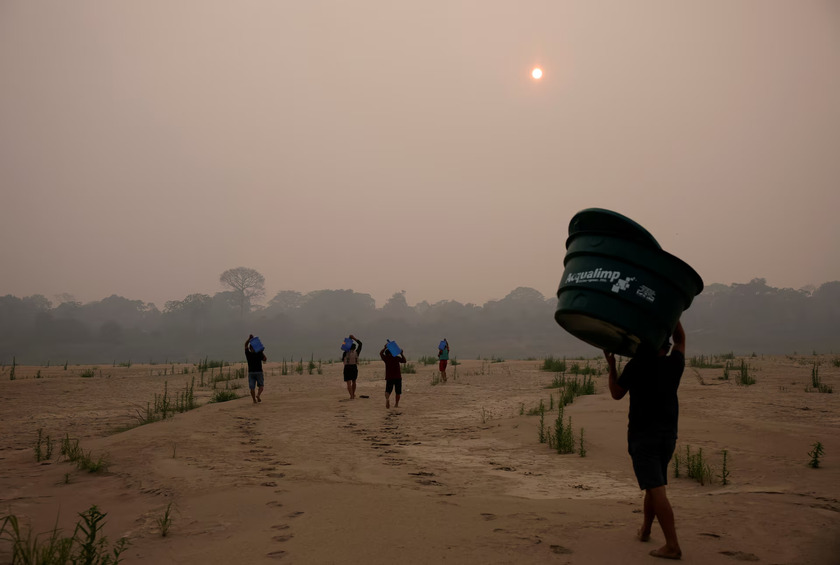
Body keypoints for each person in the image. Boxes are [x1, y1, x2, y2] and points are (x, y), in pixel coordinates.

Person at [604, 320, 686, 561]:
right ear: (664, 347)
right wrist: (672, 314)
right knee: (654, 484)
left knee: (656, 488)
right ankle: (646, 530)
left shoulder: (636, 365)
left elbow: (616, 393)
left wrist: (611, 366)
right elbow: (681, 340)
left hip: (643, 437)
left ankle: (672, 545)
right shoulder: (674, 364)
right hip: (668, 436)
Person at [379, 343, 406, 409]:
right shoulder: (396, 358)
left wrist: (384, 347)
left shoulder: (386, 358)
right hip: (397, 377)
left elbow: (380, 353)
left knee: (388, 390)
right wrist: (401, 354)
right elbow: (404, 361)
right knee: (398, 392)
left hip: (389, 377)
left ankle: (387, 399)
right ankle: (396, 404)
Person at [244, 334, 267, 404]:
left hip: (251, 372)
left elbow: (245, 345)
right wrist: (261, 351)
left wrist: (249, 339)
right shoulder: (259, 353)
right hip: (259, 372)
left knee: (252, 387)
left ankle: (254, 400)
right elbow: (265, 359)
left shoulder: (248, 354)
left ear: (250, 349)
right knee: (261, 386)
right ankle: (258, 395)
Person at [341, 334, 363, 399]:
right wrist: (353, 338)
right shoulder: (357, 352)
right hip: (354, 367)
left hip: (347, 367)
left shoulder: (345, 353)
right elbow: (360, 344)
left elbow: (343, 359)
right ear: (354, 348)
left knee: (348, 382)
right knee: (354, 381)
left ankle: (351, 395)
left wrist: (349, 339)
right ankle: (353, 393)